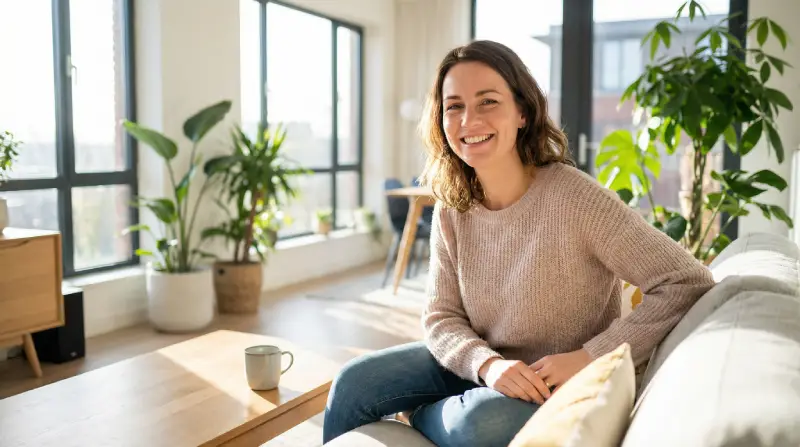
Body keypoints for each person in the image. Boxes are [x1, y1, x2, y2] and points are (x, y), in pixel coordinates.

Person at [322, 40, 716, 447]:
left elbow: (686, 280)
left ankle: (422, 415)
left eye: (488, 101)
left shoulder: (576, 198)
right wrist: (488, 366)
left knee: (475, 425)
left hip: (553, 383)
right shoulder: (453, 206)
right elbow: (441, 317)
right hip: (483, 365)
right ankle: (440, 407)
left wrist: (589, 356)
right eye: (453, 106)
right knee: (353, 382)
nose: (467, 120)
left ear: (522, 112)